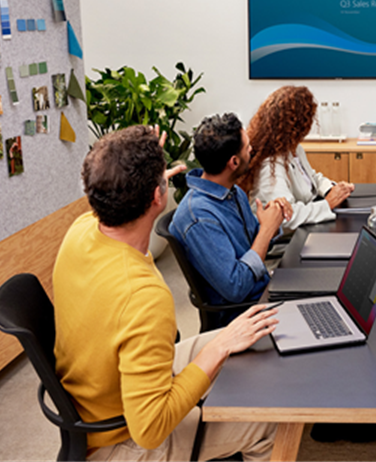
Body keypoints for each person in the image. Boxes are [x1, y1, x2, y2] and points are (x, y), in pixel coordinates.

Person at [53, 125, 280, 461]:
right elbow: (151, 429)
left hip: (99, 389)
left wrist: (140, 165)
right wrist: (218, 348)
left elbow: (114, 187)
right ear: (157, 197)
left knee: (250, 341)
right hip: (121, 441)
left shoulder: (81, 229)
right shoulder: (145, 296)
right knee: (268, 422)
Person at [171, 113, 291, 326]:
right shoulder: (199, 217)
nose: (251, 150)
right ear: (234, 162)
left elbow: (255, 244)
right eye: (247, 148)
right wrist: (265, 232)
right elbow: (236, 287)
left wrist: (273, 220)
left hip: (263, 293)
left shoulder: (232, 192)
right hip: (242, 316)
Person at [236, 86, 355, 232]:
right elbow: (286, 217)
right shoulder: (270, 166)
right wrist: (327, 204)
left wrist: (332, 189)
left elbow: (311, 177)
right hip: (286, 245)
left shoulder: (293, 149)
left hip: (305, 230)